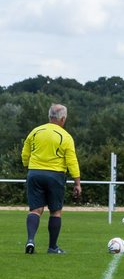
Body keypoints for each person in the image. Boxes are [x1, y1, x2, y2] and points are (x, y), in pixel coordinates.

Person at [22, 103, 82, 254]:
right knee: (55, 211)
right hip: (55, 175)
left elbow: (25, 153)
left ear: (49, 117)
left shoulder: (35, 131)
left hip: (34, 173)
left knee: (35, 210)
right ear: (62, 119)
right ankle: (53, 247)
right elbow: (71, 160)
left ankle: (30, 240)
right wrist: (77, 183)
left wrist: (29, 167)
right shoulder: (65, 136)